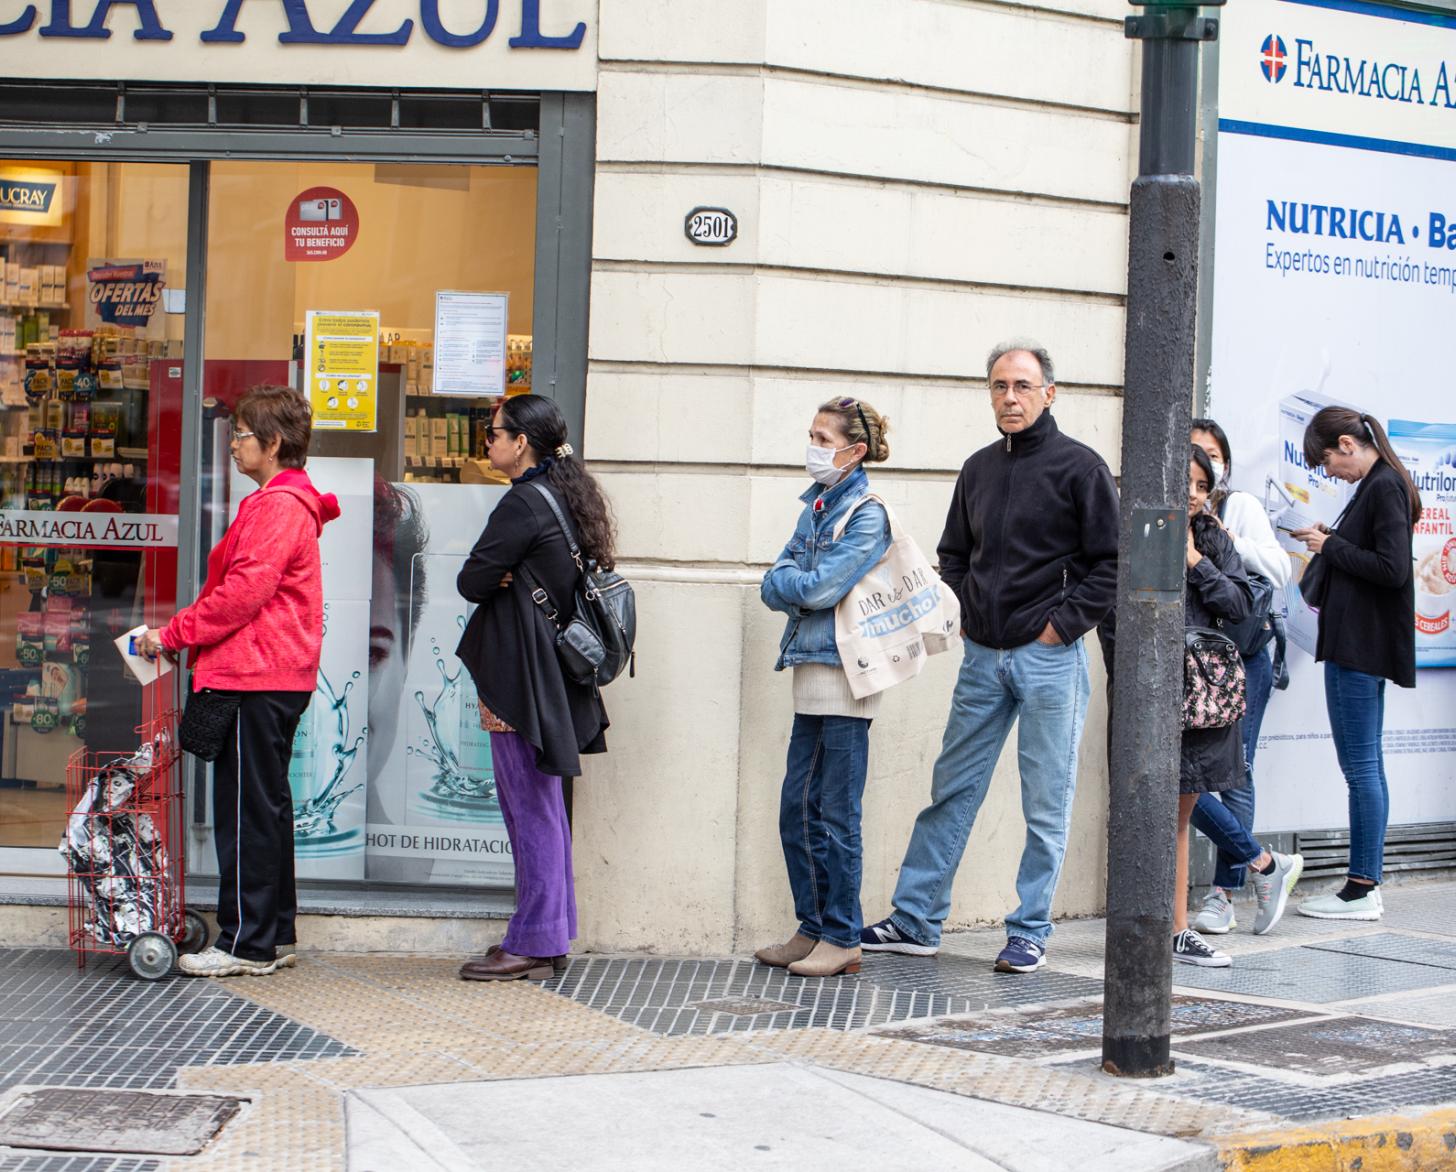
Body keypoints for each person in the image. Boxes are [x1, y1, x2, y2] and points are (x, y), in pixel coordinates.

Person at [861, 341, 1119, 973]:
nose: (1010, 397)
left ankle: (1030, 928)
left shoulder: (1081, 469)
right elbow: (953, 553)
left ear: (1049, 394)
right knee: (952, 787)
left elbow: (1112, 564)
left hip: (1049, 658)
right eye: (1000, 386)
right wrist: (969, 613)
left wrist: (1061, 627)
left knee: (1045, 800)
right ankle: (917, 918)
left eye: (1023, 386)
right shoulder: (977, 468)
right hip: (984, 657)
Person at [139, 386, 339, 978]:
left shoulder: (277, 507)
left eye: (242, 435)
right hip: (269, 671)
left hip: (257, 672)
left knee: (247, 810)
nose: (233, 445)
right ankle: (273, 932)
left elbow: (242, 594)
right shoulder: (284, 502)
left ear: (273, 443)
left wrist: (173, 634)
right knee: (266, 805)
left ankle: (246, 944)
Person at [453, 394, 611, 981]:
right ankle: (547, 932)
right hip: (548, 673)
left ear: (521, 443)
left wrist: (503, 574)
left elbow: (471, 581)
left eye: (493, 434)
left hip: (519, 675)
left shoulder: (523, 503)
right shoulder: (567, 497)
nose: (487, 443)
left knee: (529, 805)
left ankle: (535, 941)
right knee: (540, 805)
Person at [756, 397, 893, 979]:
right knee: (798, 809)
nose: (812, 446)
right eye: (810, 434)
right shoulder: (815, 505)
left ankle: (842, 936)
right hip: (811, 672)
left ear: (853, 450)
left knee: (836, 811)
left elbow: (815, 589)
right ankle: (812, 927)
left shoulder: (866, 514)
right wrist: (794, 580)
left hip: (847, 678)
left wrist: (794, 580)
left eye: (821, 437)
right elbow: (775, 581)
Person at [1291, 407, 1421, 921]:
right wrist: (1335, 538)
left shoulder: (1383, 485)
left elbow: (1392, 569)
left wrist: (1331, 545)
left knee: (1361, 768)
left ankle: (1362, 888)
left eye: (1327, 463)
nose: (1329, 474)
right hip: (1359, 644)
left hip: (1358, 646)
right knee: (1367, 767)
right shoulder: (1380, 484)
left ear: (1347, 443)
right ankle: (1364, 883)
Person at [1187, 419, 1304, 938]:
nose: (1196, 473)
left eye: (1207, 462)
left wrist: (1231, 543)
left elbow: (1278, 571)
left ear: (1221, 469)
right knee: (1183, 779)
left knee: (1233, 771)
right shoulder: (1165, 519)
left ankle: (1222, 892)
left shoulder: (1235, 512)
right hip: (1187, 665)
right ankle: (1263, 863)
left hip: (1239, 659)